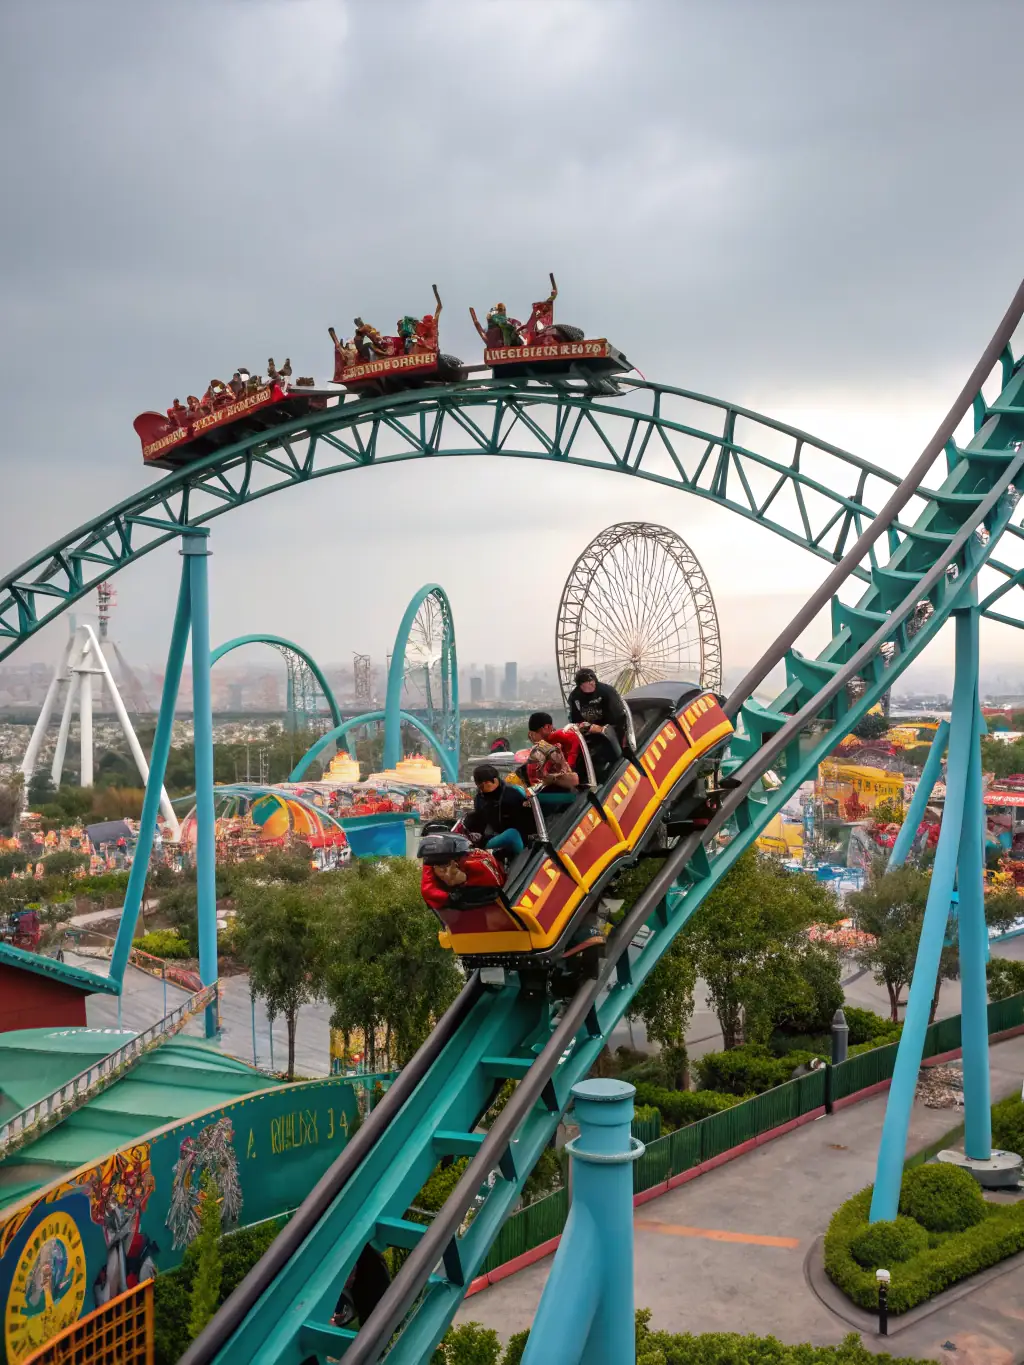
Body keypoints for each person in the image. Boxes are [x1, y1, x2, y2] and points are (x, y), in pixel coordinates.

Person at [418, 831, 504, 912]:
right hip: (462, 908)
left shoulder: (474, 861)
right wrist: (450, 898)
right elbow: (428, 890)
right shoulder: (432, 870)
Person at [463, 763, 534, 861]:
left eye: (482, 786)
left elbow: (528, 816)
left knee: (513, 834)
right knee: (511, 834)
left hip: (522, 835)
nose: (481, 789)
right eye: (480, 786)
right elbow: (481, 821)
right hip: (493, 836)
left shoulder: (514, 792)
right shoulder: (479, 799)